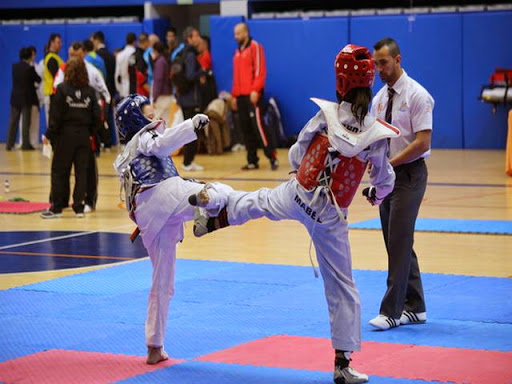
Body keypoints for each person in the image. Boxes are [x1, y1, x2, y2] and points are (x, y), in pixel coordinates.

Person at [189, 44, 400, 384]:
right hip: (329, 216)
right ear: (369, 83)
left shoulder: (326, 115)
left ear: (341, 82)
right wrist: (377, 194)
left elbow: (297, 152)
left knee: (256, 202)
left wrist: (303, 174)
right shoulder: (376, 132)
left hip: (299, 193)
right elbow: (384, 179)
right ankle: (342, 365)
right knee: (342, 286)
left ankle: (214, 212)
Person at [112, 94, 229, 365]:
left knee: (162, 281)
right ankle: (206, 206)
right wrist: (190, 127)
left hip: (150, 219)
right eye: (148, 111)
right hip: (161, 195)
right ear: (136, 118)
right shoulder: (144, 138)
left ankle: (155, 345)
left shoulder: (132, 147)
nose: (154, 114)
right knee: (218, 193)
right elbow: (164, 145)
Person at [368, 38, 434, 331]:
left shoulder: (418, 95)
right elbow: (376, 141)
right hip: (387, 177)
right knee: (396, 241)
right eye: (375, 64)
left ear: (398, 59)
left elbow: (422, 142)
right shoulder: (379, 99)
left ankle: (392, 311)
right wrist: (373, 175)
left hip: (410, 176)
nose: (379, 69)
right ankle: (416, 307)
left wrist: (390, 166)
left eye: (383, 62)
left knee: (398, 241)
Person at [41, 58, 100, 219]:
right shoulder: (89, 91)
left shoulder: (61, 89)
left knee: (60, 171)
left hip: (65, 136)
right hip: (83, 137)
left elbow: (55, 117)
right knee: (81, 172)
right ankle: (79, 207)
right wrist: (91, 133)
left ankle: (57, 207)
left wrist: (48, 134)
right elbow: (97, 115)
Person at [231, 22, 278, 171]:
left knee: (258, 127)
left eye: (238, 33)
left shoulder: (255, 47)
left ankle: (272, 156)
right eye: (235, 34)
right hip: (240, 96)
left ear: (245, 33)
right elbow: (236, 76)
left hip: (253, 94)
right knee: (245, 129)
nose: (236, 36)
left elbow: (260, 70)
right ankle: (252, 160)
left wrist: (256, 90)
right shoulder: (237, 52)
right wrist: (234, 95)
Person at [174, 26, 205, 172]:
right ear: (189, 39)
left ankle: (188, 161)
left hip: (183, 98)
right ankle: (187, 162)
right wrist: (203, 72)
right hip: (190, 99)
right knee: (192, 131)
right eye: (196, 36)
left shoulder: (181, 53)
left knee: (190, 130)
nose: (199, 38)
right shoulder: (190, 55)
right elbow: (190, 75)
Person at [6, 47, 41, 151]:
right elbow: (38, 79)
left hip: (15, 97)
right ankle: (26, 145)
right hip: (26, 98)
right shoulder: (30, 68)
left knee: (13, 122)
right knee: (25, 122)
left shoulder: (14, 67)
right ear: (30, 56)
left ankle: (9, 144)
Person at [43, 33, 63, 127]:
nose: (60, 44)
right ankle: (50, 141)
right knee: (52, 122)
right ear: (52, 43)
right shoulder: (51, 58)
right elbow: (56, 76)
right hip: (52, 93)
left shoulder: (56, 57)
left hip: (55, 93)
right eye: (58, 42)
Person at [151, 41, 173, 125]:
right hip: (167, 96)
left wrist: (155, 97)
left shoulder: (160, 62)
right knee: (166, 123)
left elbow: (158, 80)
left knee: (157, 123)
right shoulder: (165, 60)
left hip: (162, 98)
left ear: (156, 51)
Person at [115, 33, 137, 99]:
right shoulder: (136, 54)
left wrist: (119, 89)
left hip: (123, 90)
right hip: (135, 89)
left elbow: (117, 75)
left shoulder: (120, 55)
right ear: (134, 42)